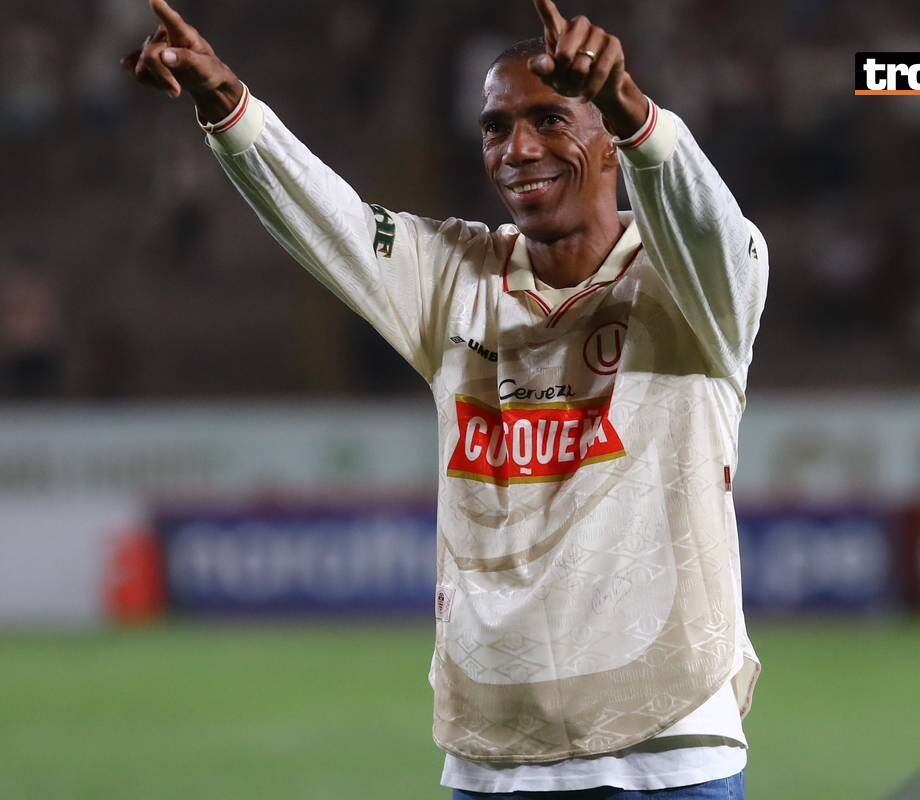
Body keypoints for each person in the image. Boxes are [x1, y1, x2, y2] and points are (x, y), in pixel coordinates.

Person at [124, 0, 769, 796]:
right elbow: (334, 224)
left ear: (609, 142)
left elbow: (708, 228)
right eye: (496, 127)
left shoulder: (696, 287)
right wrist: (226, 103)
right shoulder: (457, 278)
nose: (518, 148)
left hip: (668, 752)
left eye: (549, 120)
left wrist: (636, 111)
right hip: (493, 758)